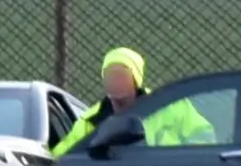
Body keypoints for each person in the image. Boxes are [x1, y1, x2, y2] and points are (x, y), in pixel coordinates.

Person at [52, 46, 215, 156]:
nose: (115, 81)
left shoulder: (171, 107)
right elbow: (62, 156)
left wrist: (177, 161)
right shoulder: (90, 121)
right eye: (109, 75)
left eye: (121, 74)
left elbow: (204, 139)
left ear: (136, 79)